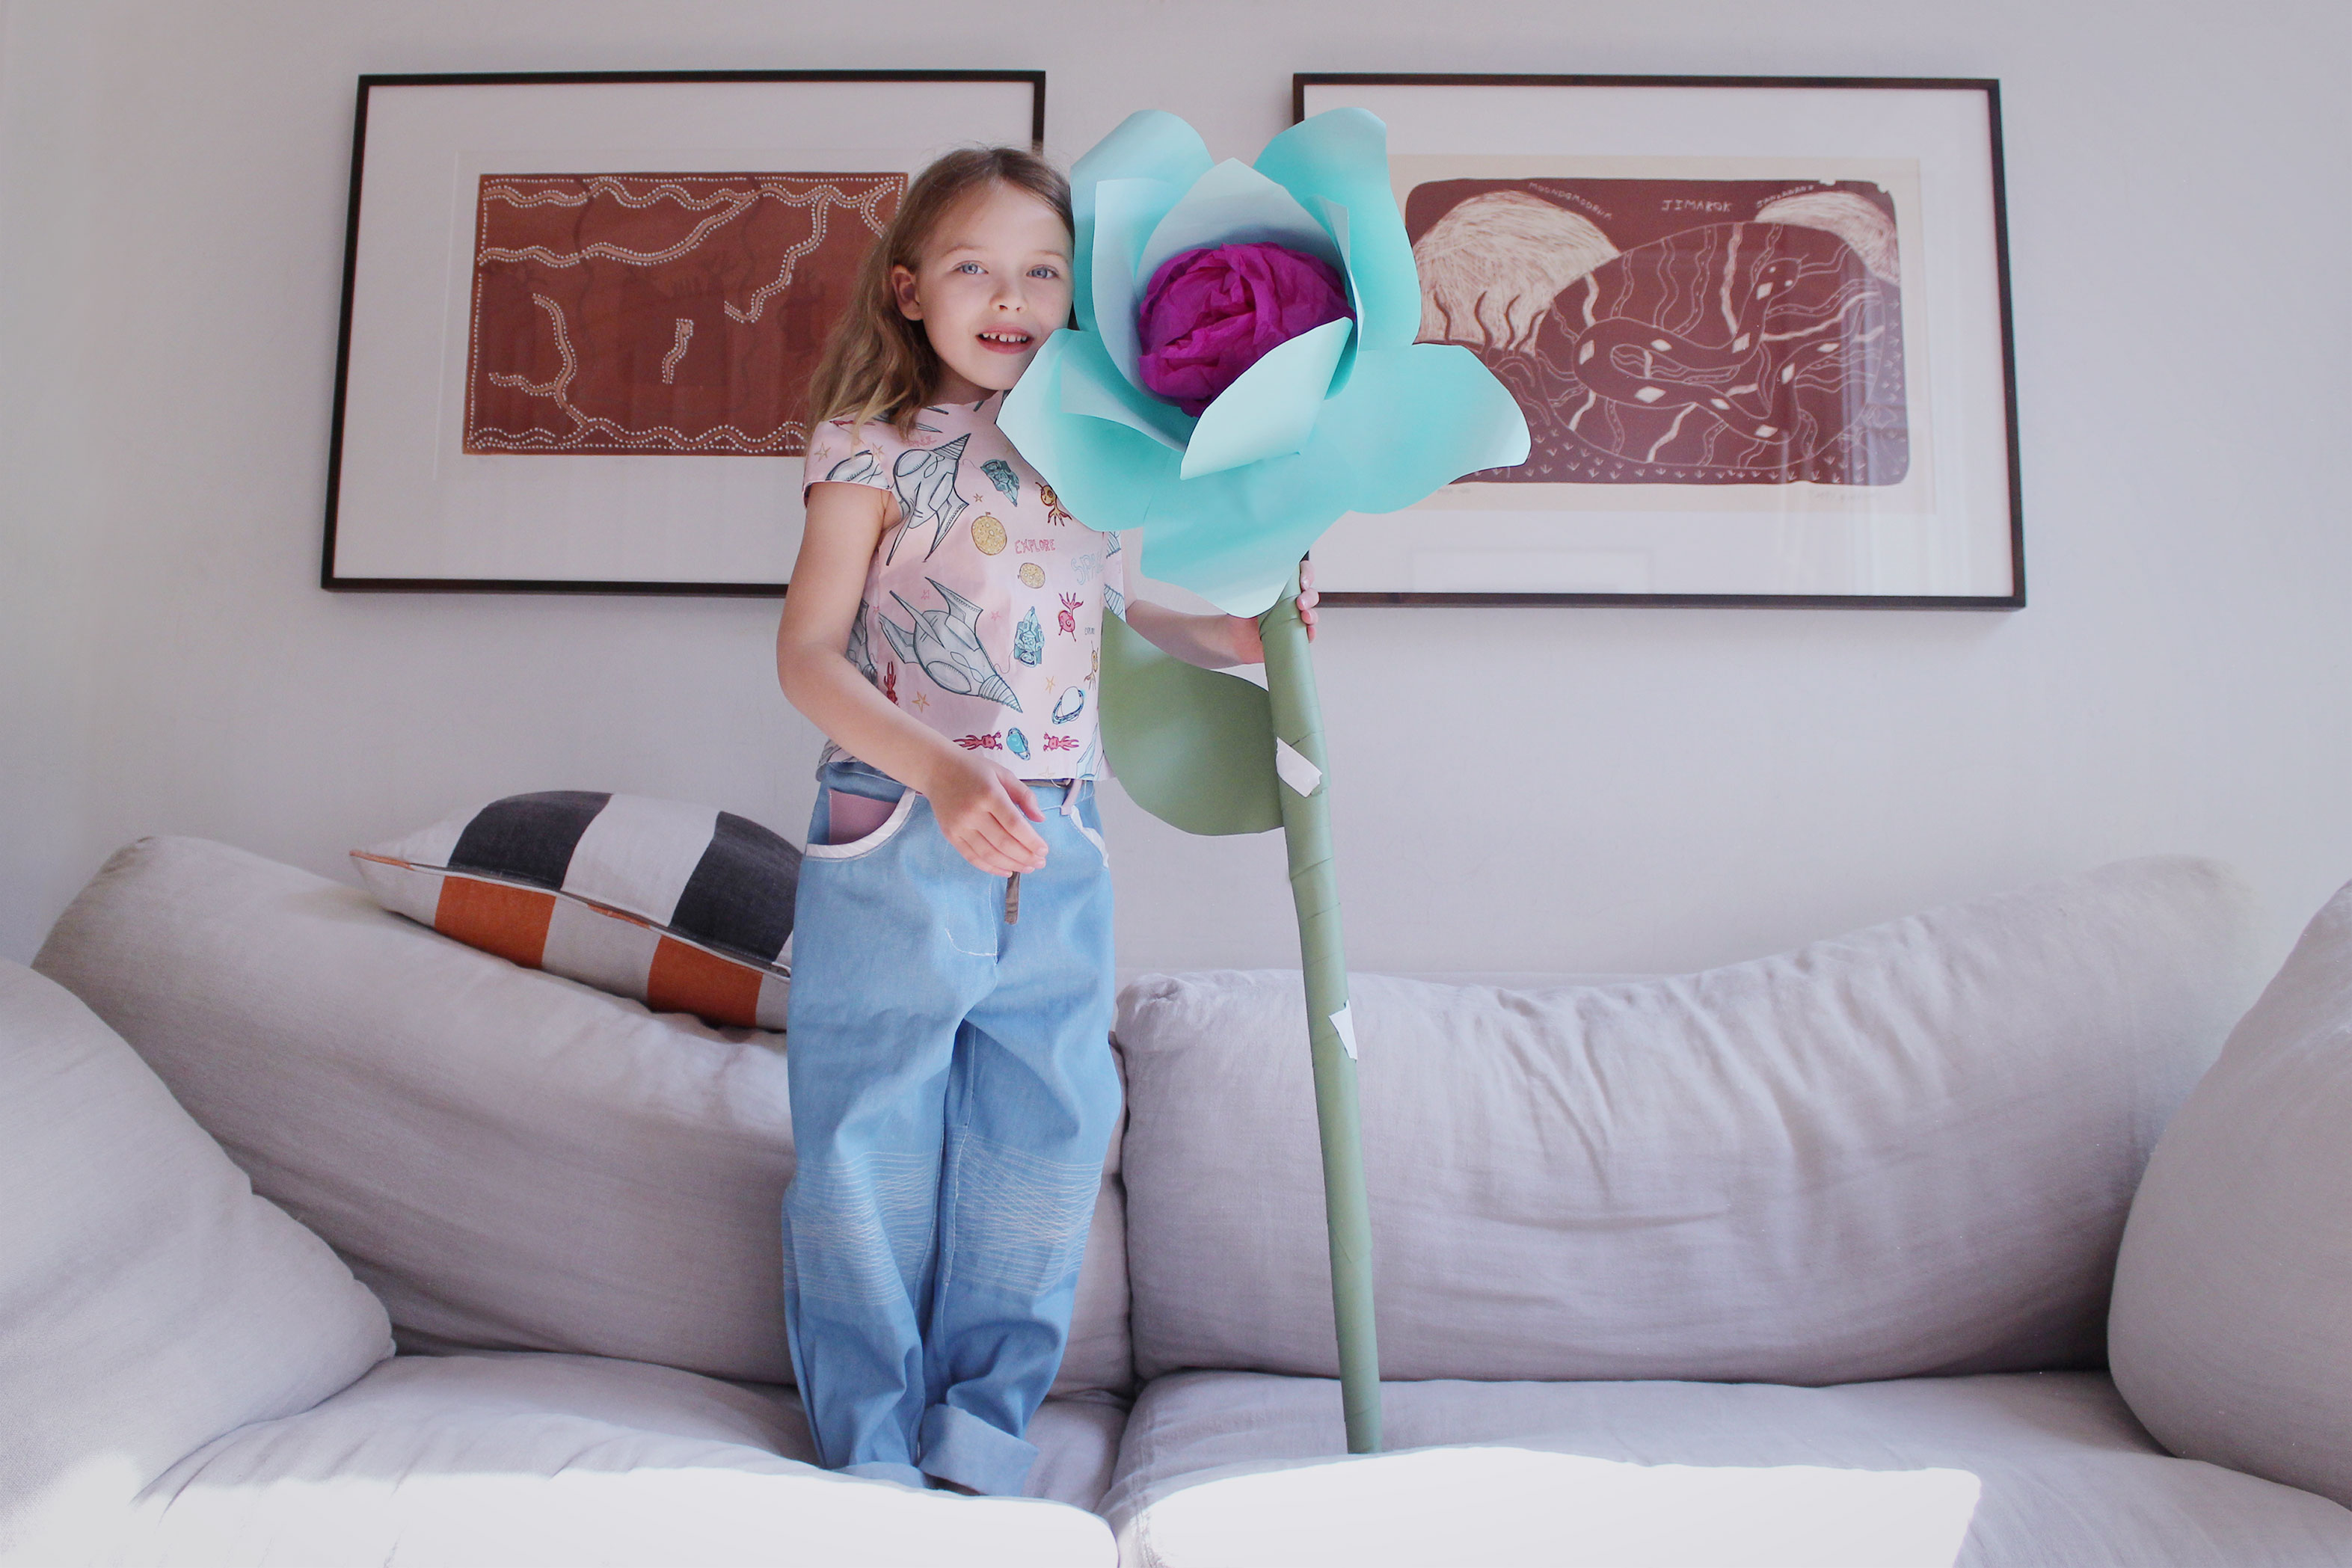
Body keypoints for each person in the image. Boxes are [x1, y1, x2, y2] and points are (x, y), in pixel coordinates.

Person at [772, 145, 1315, 1495]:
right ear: (908, 289)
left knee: (1047, 1130)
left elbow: (1110, 620)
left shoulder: (1093, 455)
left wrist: (1242, 634)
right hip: (901, 825)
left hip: (1060, 830)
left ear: (1078, 296)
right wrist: (945, 776)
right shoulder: (871, 446)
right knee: (869, 1138)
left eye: (1041, 271)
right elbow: (807, 658)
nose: (1008, 296)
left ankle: (980, 1431)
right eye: (973, 267)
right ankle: (869, 1446)